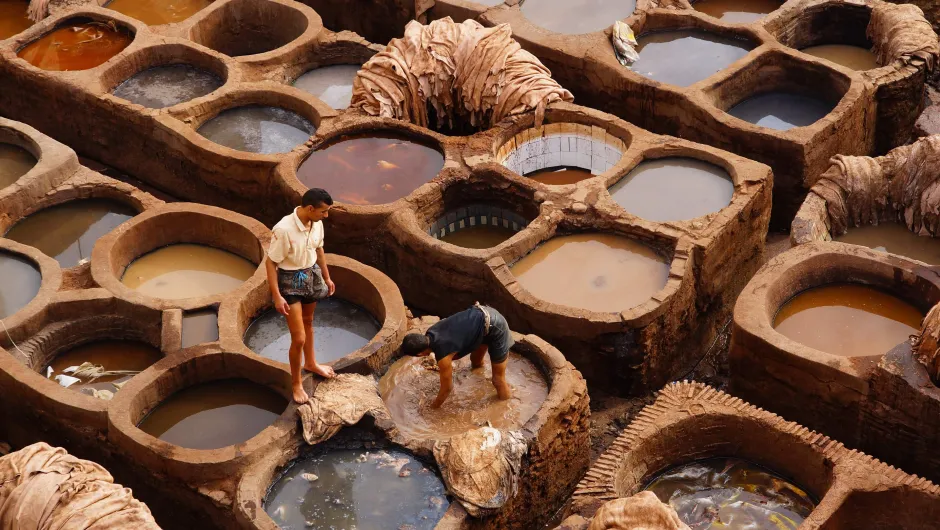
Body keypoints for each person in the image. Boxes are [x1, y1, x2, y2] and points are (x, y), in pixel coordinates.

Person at [265, 188, 337, 404]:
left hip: (311, 274)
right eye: (323, 212)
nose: (326, 216)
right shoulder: (284, 229)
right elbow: (271, 263)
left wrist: (327, 277)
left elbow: (320, 250)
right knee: (299, 338)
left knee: (309, 321)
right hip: (289, 280)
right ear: (310, 208)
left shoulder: (317, 223)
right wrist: (277, 296)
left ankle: (311, 363)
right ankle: (296, 383)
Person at [400, 303, 514, 408]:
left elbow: (447, 388)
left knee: (497, 380)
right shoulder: (431, 332)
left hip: (495, 326)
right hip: (483, 318)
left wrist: (433, 407)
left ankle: (505, 405)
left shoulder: (443, 357)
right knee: (475, 361)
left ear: (420, 354)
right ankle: (480, 376)